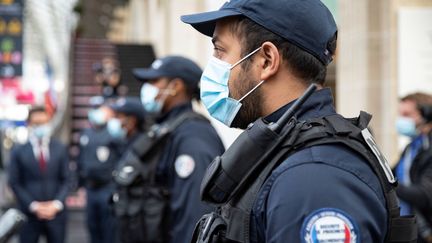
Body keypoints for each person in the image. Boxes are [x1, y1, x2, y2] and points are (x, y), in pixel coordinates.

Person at [181, 0, 416, 242]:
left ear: (266, 60)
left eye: (220, 51)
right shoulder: (282, 149)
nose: (214, 64)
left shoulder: (315, 178)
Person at [129, 55, 225, 243]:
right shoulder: (168, 128)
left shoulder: (193, 135)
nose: (148, 88)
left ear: (176, 86)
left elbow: (194, 217)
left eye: (154, 81)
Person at [8, 106, 69, 243]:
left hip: (56, 214)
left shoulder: (60, 148)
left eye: (44, 122)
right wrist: (33, 205)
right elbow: (14, 182)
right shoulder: (19, 151)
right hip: (29, 214)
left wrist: (56, 204)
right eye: (37, 123)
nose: (41, 126)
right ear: (29, 124)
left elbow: (67, 179)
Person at [77, 97, 122, 243]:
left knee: (108, 229)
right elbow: (80, 160)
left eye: (100, 108)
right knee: (92, 227)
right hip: (91, 189)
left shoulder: (113, 133)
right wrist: (79, 184)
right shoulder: (86, 133)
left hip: (108, 187)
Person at [394, 93, 432, 243]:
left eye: (407, 114)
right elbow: (390, 173)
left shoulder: (429, 148)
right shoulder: (412, 147)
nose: (402, 120)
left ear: (426, 114)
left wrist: (390, 185)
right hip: (409, 230)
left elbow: (424, 195)